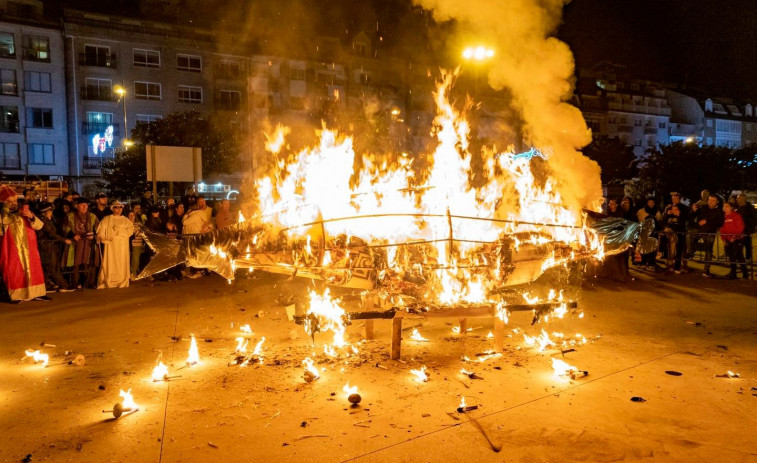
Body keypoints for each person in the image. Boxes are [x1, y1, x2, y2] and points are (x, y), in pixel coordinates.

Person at [0, 185, 48, 302]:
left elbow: (39, 225)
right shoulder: (2, 215)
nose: (13, 203)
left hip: (30, 249)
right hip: (11, 250)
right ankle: (16, 295)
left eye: (15, 200)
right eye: (9, 201)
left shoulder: (24, 212)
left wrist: (31, 217)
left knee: (33, 270)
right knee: (14, 271)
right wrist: (5, 215)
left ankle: (35, 293)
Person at [36, 202, 74, 292]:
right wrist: (63, 239)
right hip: (46, 245)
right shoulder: (44, 221)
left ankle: (46, 285)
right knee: (52, 266)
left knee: (47, 266)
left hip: (48, 245)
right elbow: (51, 233)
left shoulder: (48, 220)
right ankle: (63, 285)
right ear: (47, 211)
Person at [63, 197, 99, 289]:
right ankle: (75, 283)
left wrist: (94, 235)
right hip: (76, 243)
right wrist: (73, 235)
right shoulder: (70, 216)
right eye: (82, 205)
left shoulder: (92, 216)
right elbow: (65, 227)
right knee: (75, 263)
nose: (84, 207)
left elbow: (99, 229)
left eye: (86, 205)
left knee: (89, 263)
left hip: (89, 243)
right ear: (77, 206)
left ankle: (89, 283)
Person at [97, 200, 134, 288]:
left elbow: (130, 231)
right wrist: (101, 237)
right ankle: (109, 279)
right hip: (111, 245)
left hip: (122, 245)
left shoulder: (126, 220)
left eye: (120, 207)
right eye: (116, 207)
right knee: (110, 261)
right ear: (112, 208)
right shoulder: (107, 219)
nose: (118, 209)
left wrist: (120, 231)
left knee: (121, 262)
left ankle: (122, 279)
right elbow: (101, 230)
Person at [689, 195, 724, 277]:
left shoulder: (719, 211)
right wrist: (693, 211)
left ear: (717, 202)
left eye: (713, 200)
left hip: (710, 232)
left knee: (708, 250)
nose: (711, 202)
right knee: (689, 237)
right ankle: (689, 253)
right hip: (699, 230)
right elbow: (691, 216)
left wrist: (707, 221)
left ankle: (706, 270)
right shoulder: (702, 208)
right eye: (709, 200)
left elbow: (720, 222)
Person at [720, 202, 748, 279]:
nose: (725, 208)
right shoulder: (723, 217)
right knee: (731, 257)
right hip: (729, 240)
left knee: (738, 256)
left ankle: (744, 273)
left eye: (727, 206)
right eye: (724, 206)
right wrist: (724, 239)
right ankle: (733, 273)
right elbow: (722, 229)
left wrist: (734, 237)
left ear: (731, 207)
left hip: (737, 239)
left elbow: (740, 228)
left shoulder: (736, 216)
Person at [660, 204, 687, 273]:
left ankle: (677, 267)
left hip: (678, 236)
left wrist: (670, 225)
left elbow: (680, 226)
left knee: (678, 252)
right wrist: (666, 215)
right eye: (673, 209)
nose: (674, 211)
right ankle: (669, 264)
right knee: (669, 250)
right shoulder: (669, 216)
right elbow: (662, 223)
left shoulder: (682, 217)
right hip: (669, 238)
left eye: (676, 209)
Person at [735, 193, 755, 263]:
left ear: (743, 198)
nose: (736, 199)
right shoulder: (737, 208)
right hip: (738, 231)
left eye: (738, 198)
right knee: (738, 245)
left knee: (747, 244)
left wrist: (750, 229)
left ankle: (747, 258)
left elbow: (754, 219)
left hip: (746, 230)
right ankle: (739, 258)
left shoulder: (749, 208)